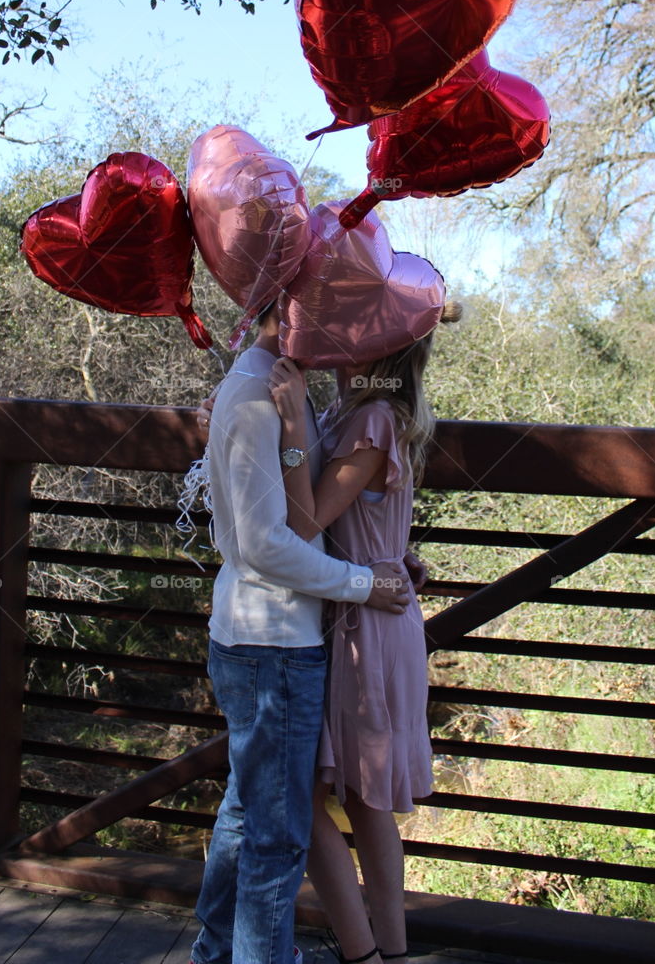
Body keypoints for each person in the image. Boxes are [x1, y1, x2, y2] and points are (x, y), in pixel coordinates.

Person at [189, 301, 412, 964]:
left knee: (244, 816)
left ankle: (215, 954)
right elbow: (272, 542)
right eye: (333, 318)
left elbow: (288, 509)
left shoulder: (263, 383)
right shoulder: (267, 394)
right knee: (277, 836)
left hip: (256, 632)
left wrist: (390, 558)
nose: (343, 336)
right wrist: (364, 583)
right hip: (275, 641)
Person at [267, 305, 461, 964]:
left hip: (366, 629)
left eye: (351, 327)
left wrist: (291, 425)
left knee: (326, 795)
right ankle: (386, 954)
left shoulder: (371, 419)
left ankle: (363, 952)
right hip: (373, 614)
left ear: (376, 348)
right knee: (358, 798)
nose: (335, 332)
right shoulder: (354, 415)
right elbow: (363, 523)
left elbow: (303, 524)